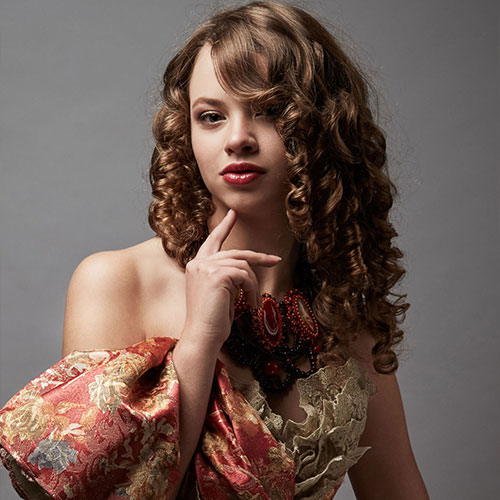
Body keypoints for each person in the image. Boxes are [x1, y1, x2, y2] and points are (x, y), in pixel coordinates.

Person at [0, 1, 430, 498]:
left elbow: (400, 490)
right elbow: (102, 490)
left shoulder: (345, 309)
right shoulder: (116, 282)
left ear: (325, 127)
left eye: (270, 111)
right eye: (211, 116)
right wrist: (200, 340)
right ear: (185, 133)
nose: (238, 139)